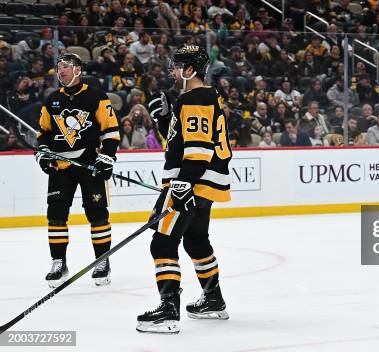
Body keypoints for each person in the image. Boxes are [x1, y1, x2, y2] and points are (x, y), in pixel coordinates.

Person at [138, 45, 232, 334]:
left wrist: (182, 184)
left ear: (190, 69)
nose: (172, 70)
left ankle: (168, 310)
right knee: (195, 241)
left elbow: (199, 149)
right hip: (203, 183)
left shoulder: (196, 97)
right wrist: (165, 120)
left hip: (193, 182)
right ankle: (213, 300)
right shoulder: (203, 97)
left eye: (177, 65)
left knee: (162, 243)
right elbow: (183, 139)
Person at [35, 53, 119, 288]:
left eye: (66, 67)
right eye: (59, 67)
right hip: (61, 167)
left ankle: (102, 262)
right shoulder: (51, 100)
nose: (60, 71)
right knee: (56, 216)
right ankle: (58, 262)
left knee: (98, 214)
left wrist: (107, 157)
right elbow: (43, 134)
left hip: (90, 165)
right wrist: (42, 152)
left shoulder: (96, 97)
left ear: (78, 70)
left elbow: (110, 131)